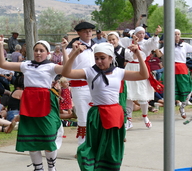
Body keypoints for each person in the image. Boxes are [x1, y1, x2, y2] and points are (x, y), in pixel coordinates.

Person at [61, 42, 149, 171]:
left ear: (110, 58)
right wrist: (75, 53)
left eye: (102, 58)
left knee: (111, 147)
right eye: (96, 58)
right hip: (97, 114)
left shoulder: (118, 72)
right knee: (93, 146)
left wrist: (138, 55)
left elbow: (144, 75)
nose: (99, 61)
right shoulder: (89, 71)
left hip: (114, 114)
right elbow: (67, 73)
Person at [0, 35, 64, 171]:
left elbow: (67, 69)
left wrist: (65, 50)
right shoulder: (26, 64)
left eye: (41, 50)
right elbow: (3, 64)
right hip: (29, 102)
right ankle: (38, 168)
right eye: (36, 50)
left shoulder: (51, 66)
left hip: (45, 100)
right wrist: (0, 45)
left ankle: (52, 168)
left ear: (48, 53)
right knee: (31, 136)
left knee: (48, 135)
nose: (38, 53)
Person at [119, 25, 162, 129]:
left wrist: (156, 34)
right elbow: (119, 43)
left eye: (143, 33)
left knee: (143, 97)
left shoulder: (146, 43)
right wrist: (134, 42)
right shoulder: (128, 43)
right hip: (130, 68)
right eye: (139, 33)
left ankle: (145, 117)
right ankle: (128, 120)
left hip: (141, 68)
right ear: (135, 34)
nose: (141, 35)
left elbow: (153, 44)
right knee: (129, 96)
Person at [65, 21, 96, 147]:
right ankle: (82, 146)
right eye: (85, 31)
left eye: (90, 31)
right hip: (80, 85)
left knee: (96, 115)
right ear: (78, 33)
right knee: (83, 115)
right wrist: (74, 51)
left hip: (95, 85)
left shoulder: (96, 46)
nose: (88, 33)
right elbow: (66, 65)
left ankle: (95, 143)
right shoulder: (70, 47)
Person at [159, 29, 192, 119]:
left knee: (188, 90)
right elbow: (158, 54)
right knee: (170, 91)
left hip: (182, 69)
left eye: (178, 34)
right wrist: (155, 43)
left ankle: (182, 108)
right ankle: (170, 113)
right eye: (175, 34)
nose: (177, 36)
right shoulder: (168, 45)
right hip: (171, 69)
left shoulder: (185, 45)